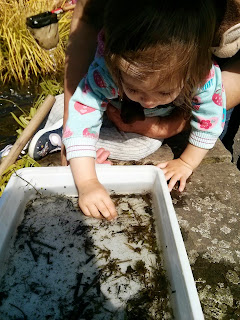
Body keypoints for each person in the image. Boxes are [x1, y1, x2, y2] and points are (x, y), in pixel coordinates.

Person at [62, 0, 226, 220]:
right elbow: (83, 111)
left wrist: (186, 162)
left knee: (139, 148)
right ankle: (57, 134)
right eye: (134, 89)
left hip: (160, 119)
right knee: (77, 134)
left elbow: (211, 120)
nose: (148, 102)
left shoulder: (201, 76)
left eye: (164, 92)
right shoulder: (106, 72)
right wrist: (87, 182)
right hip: (114, 109)